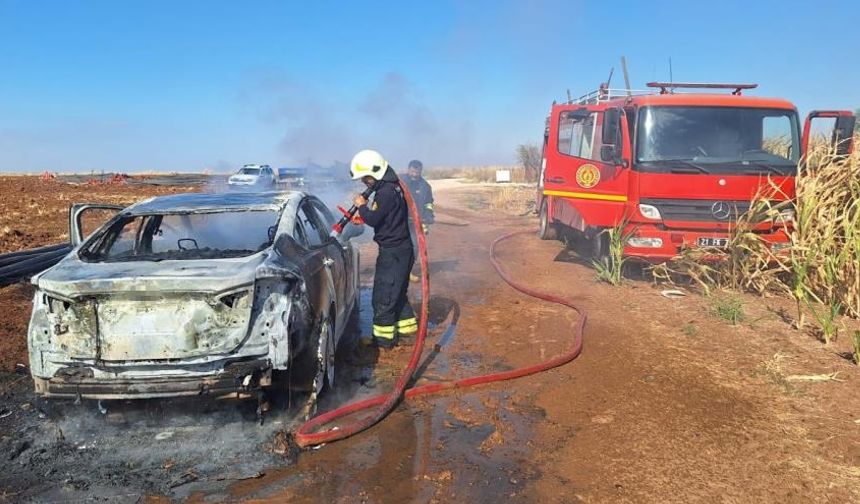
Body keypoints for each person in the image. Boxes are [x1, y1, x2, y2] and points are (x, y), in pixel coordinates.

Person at [350, 149, 417, 348]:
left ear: (375, 173)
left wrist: (362, 207)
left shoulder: (386, 192)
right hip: (402, 250)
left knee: (383, 298)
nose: (364, 182)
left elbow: (373, 218)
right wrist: (365, 212)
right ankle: (408, 331)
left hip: (393, 253)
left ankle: (383, 341)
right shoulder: (392, 186)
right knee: (398, 293)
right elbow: (385, 217)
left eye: (366, 178)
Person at [403, 159, 434, 282]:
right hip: (401, 221)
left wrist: (429, 214)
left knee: (415, 246)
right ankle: (400, 270)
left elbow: (428, 203)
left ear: (421, 171)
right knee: (401, 246)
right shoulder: (401, 182)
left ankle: (408, 270)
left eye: (417, 172)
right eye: (412, 172)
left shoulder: (425, 186)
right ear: (408, 169)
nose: (414, 175)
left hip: (417, 222)